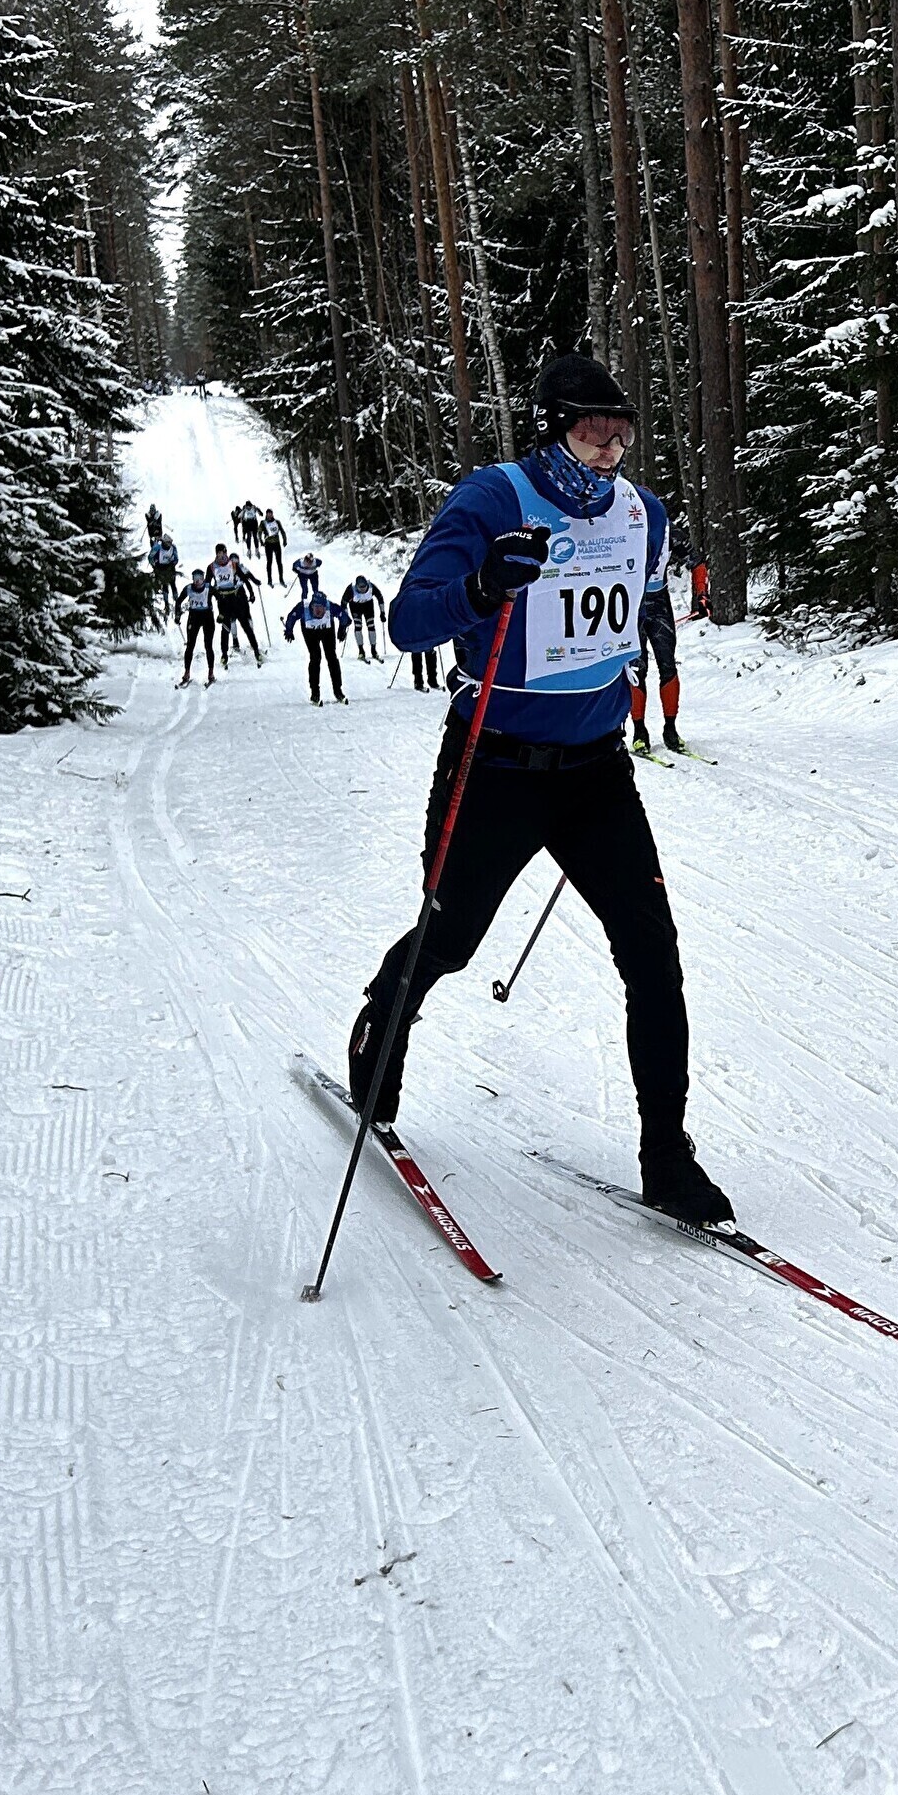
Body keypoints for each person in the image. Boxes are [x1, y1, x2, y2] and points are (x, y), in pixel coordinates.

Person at [346, 352, 729, 1226]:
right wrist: (483, 587)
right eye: (592, 430)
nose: (610, 448)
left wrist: (646, 651)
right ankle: (382, 1017)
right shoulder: (492, 499)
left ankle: (666, 1157)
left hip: (595, 771)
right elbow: (408, 623)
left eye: (621, 431)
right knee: (450, 938)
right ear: (552, 428)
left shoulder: (643, 512)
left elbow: (639, 602)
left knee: (652, 957)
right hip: (495, 763)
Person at [629, 570, 686, 755]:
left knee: (668, 665)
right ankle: (639, 731)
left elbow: (696, 559)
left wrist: (702, 593)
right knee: (636, 669)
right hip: (633, 604)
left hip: (660, 604)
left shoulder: (668, 547)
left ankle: (671, 729)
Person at [284, 583, 349, 705]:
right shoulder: (303, 607)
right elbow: (292, 616)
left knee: (332, 657)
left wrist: (342, 628)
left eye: (322, 607)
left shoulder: (330, 606)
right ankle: (315, 693)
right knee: (315, 658)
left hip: (327, 631)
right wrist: (289, 630)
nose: (319, 611)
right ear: (312, 606)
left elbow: (344, 617)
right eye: (316, 607)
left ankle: (338, 690)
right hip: (310, 632)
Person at [209, 549, 263, 666]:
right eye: (219, 556)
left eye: (236, 560)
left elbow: (247, 579)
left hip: (238, 598)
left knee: (246, 623)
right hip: (225, 601)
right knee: (227, 626)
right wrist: (213, 596)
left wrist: (252, 592)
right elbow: (211, 586)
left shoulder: (236, 566)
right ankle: (227, 650)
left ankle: (256, 650)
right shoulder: (215, 568)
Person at [177, 568, 217, 686]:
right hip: (194, 617)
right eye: (195, 578)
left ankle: (211, 673)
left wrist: (223, 614)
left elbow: (220, 599)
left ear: (203, 579)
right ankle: (186, 673)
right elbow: (178, 601)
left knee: (208, 645)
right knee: (190, 646)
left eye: (200, 578)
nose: (197, 581)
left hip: (207, 616)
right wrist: (177, 615)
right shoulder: (188, 588)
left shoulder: (209, 588)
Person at [343, 575, 384, 663]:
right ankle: (361, 650)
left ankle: (373, 649)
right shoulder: (351, 589)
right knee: (358, 626)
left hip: (368, 606)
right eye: (360, 587)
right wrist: (346, 617)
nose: (363, 589)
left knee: (371, 626)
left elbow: (380, 597)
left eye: (364, 587)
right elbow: (343, 603)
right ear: (357, 586)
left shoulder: (371, 587)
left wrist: (382, 612)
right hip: (355, 607)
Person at [149, 534, 181, 623]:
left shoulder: (173, 547)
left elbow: (176, 558)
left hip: (170, 568)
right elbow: (150, 557)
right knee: (164, 585)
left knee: (173, 584)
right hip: (160, 568)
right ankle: (166, 604)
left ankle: (177, 603)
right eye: (168, 543)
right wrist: (154, 566)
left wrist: (173, 563)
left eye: (170, 543)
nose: (169, 544)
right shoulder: (157, 547)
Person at [260, 509, 288, 586]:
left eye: (270, 514)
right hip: (268, 544)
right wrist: (261, 541)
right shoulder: (263, 523)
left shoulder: (277, 522)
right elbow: (259, 532)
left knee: (279, 562)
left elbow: (282, 531)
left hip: (276, 544)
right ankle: (269, 580)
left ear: (272, 514)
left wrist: (284, 540)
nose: (269, 515)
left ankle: (281, 579)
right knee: (269, 562)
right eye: (268, 514)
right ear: (266, 514)